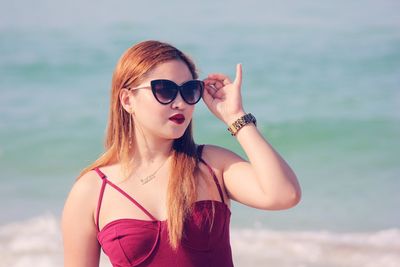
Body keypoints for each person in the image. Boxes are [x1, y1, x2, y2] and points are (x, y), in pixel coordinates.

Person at [62, 40, 301, 267]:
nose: (180, 103)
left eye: (189, 90)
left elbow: (284, 194)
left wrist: (235, 117)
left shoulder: (211, 165)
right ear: (127, 100)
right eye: (165, 90)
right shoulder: (93, 190)